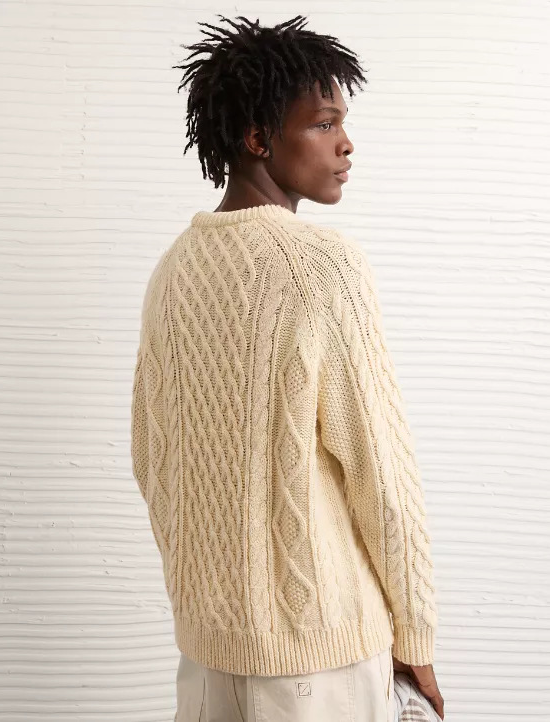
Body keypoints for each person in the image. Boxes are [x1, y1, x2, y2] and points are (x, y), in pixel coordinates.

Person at [131, 13, 444, 722]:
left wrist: (213, 609)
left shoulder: (173, 271)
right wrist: (416, 636)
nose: (345, 143)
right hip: (322, 655)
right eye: (323, 124)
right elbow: (381, 474)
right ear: (257, 138)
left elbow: (152, 460)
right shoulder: (322, 267)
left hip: (208, 658)